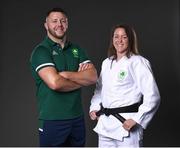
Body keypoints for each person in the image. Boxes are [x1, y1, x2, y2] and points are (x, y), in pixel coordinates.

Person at [30, 7, 97, 147]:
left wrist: (66, 75)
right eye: (54, 21)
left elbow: (93, 76)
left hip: (77, 118)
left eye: (63, 21)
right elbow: (55, 83)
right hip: (53, 120)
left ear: (67, 23)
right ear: (46, 25)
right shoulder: (41, 51)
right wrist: (81, 79)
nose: (59, 24)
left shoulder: (76, 49)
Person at [89, 24, 160, 147]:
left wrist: (137, 119)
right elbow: (99, 90)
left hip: (126, 124)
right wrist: (94, 107)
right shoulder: (107, 63)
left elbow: (153, 96)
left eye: (124, 37)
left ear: (130, 40)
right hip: (105, 125)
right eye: (116, 37)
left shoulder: (138, 62)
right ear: (112, 40)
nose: (119, 40)